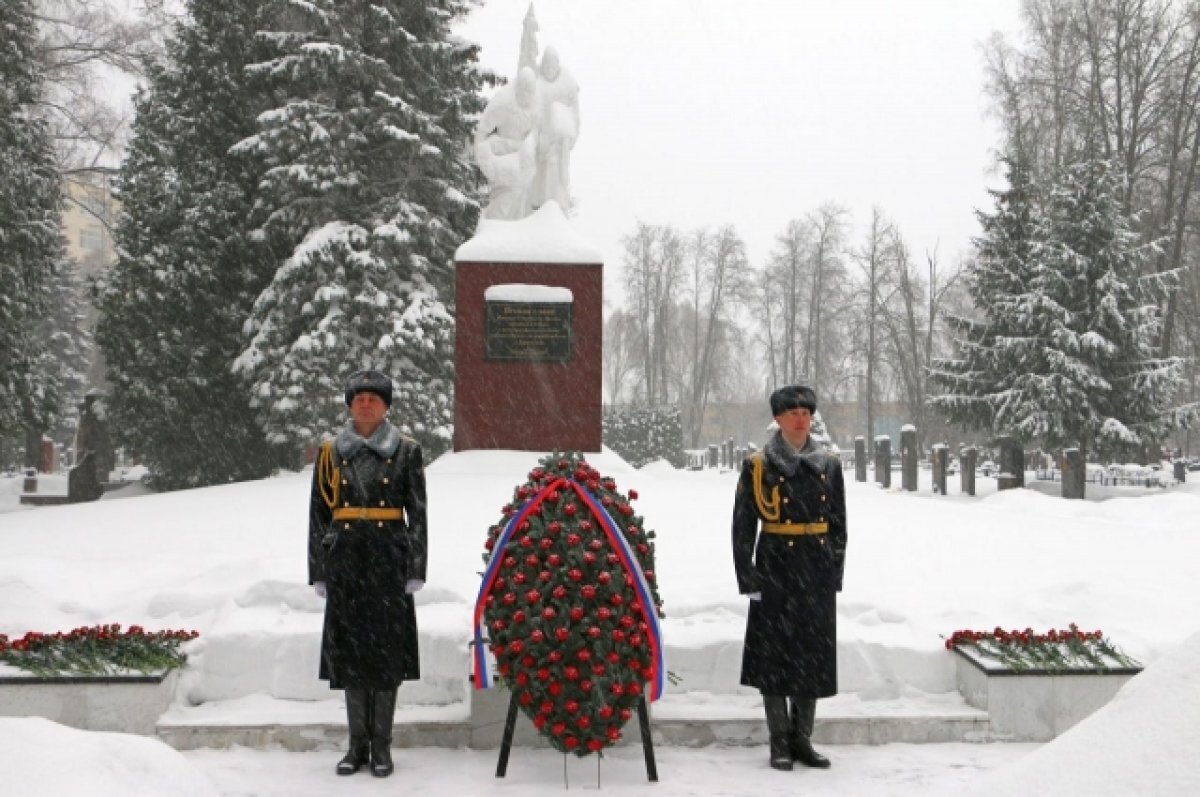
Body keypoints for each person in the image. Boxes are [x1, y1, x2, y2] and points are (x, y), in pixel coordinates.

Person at [309, 370, 427, 778]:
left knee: (385, 653)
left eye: (374, 398)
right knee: (353, 653)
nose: (365, 403)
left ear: (387, 406)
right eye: (358, 397)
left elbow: (419, 515)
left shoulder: (407, 452)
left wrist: (415, 566)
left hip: (387, 559)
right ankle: (356, 745)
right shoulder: (330, 453)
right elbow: (318, 516)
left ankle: (382, 745)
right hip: (346, 559)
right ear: (349, 405)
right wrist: (319, 570)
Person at [731, 385, 847, 771]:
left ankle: (803, 739)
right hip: (776, 566)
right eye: (792, 412)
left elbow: (839, 525)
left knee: (810, 657)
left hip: (815, 568)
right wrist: (748, 576)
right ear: (778, 419)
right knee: (775, 657)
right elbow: (744, 525)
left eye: (805, 412)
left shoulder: (828, 465)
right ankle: (779, 739)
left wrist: (834, 571)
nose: (801, 418)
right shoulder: (759, 465)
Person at [473, 66, 539, 220]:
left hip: (521, 160)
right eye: (524, 89)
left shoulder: (534, 111)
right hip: (502, 157)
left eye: (530, 90)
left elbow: (537, 136)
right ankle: (495, 231)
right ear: (518, 88)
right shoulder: (505, 103)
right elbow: (483, 128)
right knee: (503, 202)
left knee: (520, 204)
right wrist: (481, 151)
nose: (527, 94)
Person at [530, 46, 580, 213]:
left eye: (552, 66)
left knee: (555, 175)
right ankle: (539, 207)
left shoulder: (567, 85)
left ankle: (554, 207)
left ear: (557, 66)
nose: (549, 70)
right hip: (540, 141)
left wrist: (567, 137)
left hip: (558, 146)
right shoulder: (536, 84)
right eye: (546, 66)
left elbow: (575, 116)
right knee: (538, 177)